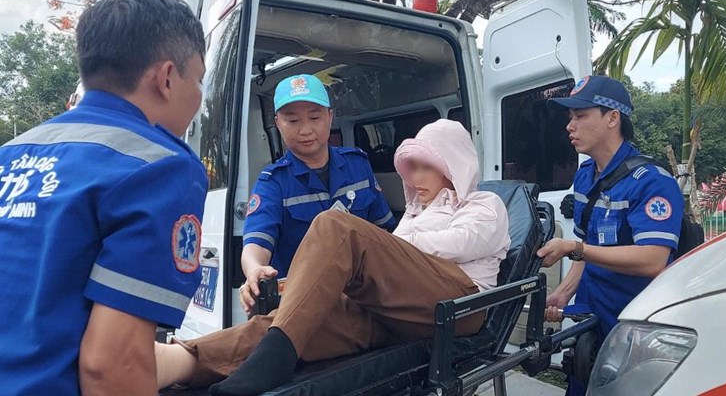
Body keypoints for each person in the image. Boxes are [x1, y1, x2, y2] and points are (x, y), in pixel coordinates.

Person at [155, 119, 511, 395]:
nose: (416, 177)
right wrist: (297, 285)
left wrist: (388, 246)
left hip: (459, 306)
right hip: (399, 312)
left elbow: (461, 242)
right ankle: (175, 361)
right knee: (300, 314)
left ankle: (276, 353)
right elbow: (393, 254)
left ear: (453, 166)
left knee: (338, 227)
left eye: (426, 166)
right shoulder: (415, 211)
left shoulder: (484, 204)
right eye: (412, 167)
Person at [0, 0, 208, 396]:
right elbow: (111, 366)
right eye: (198, 79)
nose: (199, 96)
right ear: (167, 78)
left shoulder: (11, 154)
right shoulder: (160, 166)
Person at [538, 75, 684, 396]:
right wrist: (563, 293)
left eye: (580, 116)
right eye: (570, 118)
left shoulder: (652, 181)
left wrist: (575, 249)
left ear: (612, 118)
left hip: (636, 329)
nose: (570, 126)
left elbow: (653, 259)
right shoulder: (585, 176)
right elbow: (584, 246)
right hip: (592, 321)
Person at [237, 74, 396, 315]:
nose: (305, 130)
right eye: (292, 120)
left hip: (361, 300)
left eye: (314, 117)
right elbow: (255, 244)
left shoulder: (358, 165)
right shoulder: (273, 182)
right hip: (303, 304)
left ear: (330, 116)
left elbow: (384, 231)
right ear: (278, 123)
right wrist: (254, 269)